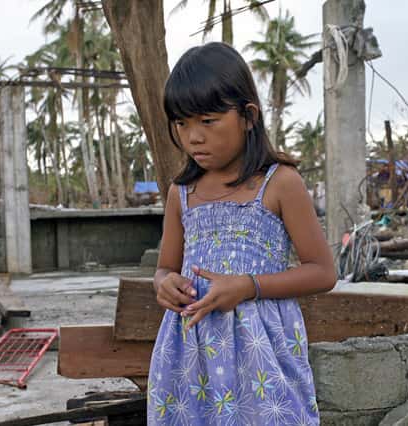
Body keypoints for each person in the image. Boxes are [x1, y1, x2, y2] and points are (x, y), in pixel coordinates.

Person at [148, 42, 336, 426]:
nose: (193, 137)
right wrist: (164, 284)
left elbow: (322, 271)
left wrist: (248, 286)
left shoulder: (280, 183)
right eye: (182, 124)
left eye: (208, 121)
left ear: (248, 116)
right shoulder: (181, 193)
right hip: (190, 357)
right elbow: (165, 267)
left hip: (263, 357)